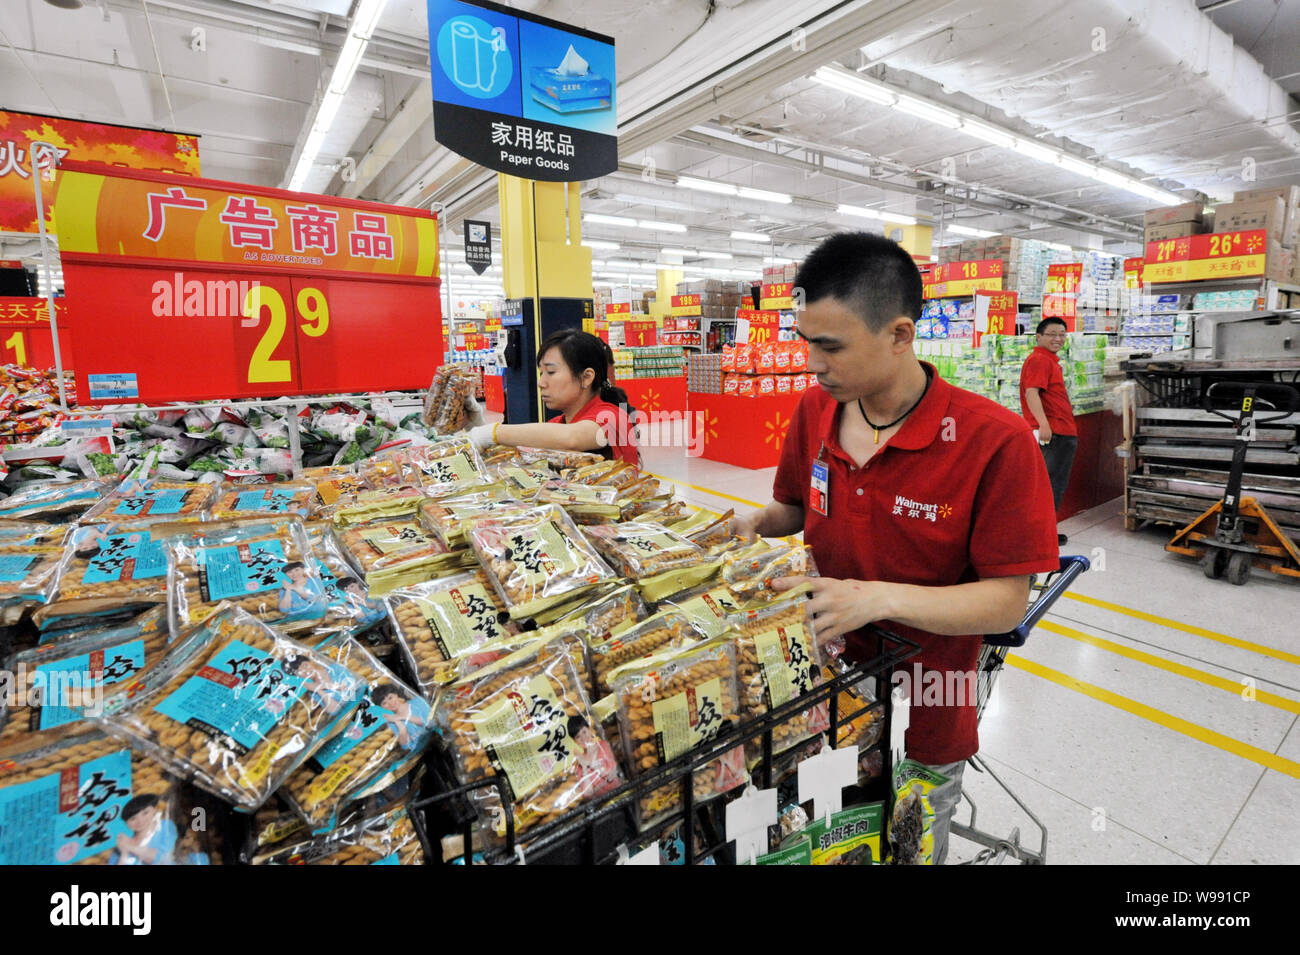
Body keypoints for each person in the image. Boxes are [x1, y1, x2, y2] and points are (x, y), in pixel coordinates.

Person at [732, 232, 1060, 865]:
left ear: (901, 335)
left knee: (909, 841)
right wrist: (753, 523)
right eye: (805, 343)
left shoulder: (993, 442)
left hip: (929, 698)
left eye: (830, 347)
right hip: (820, 689)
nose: (812, 363)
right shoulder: (814, 412)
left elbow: (1003, 605)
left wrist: (875, 598)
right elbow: (796, 509)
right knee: (827, 833)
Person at [468, 328, 639, 466]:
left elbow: (572, 438)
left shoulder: (613, 417)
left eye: (551, 372)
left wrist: (492, 432)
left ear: (586, 377)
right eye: (541, 373)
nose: (541, 382)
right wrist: (477, 426)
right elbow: (515, 454)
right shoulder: (558, 424)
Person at [1019, 317, 1079, 545]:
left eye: (1062, 334)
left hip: (1059, 430)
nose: (1058, 339)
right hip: (1055, 432)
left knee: (1052, 484)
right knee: (1050, 486)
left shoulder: (1049, 361)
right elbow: (1031, 393)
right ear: (1038, 336)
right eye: (1052, 334)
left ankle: (1043, 532)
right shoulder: (1040, 360)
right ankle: (1039, 536)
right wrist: (1043, 424)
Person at [110, 794, 178, 865]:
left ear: (154, 810)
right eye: (133, 819)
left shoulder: (165, 826)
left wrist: (129, 847)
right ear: (126, 824)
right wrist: (124, 853)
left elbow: (163, 859)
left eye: (145, 813)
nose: (140, 821)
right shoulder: (120, 846)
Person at [566, 714, 621, 796]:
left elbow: (611, 776)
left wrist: (589, 764)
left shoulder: (603, 746)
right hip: (604, 805)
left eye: (584, 732)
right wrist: (584, 767)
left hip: (620, 794)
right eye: (578, 736)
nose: (583, 738)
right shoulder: (579, 764)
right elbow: (588, 793)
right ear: (575, 741)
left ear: (589, 730)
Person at [374, 685, 432, 752]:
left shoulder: (418, 702)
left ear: (396, 694)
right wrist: (398, 722)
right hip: (422, 751)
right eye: (384, 703)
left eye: (390, 698)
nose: (390, 703)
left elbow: (431, 722)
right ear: (381, 707)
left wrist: (403, 717)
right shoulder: (392, 723)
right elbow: (406, 745)